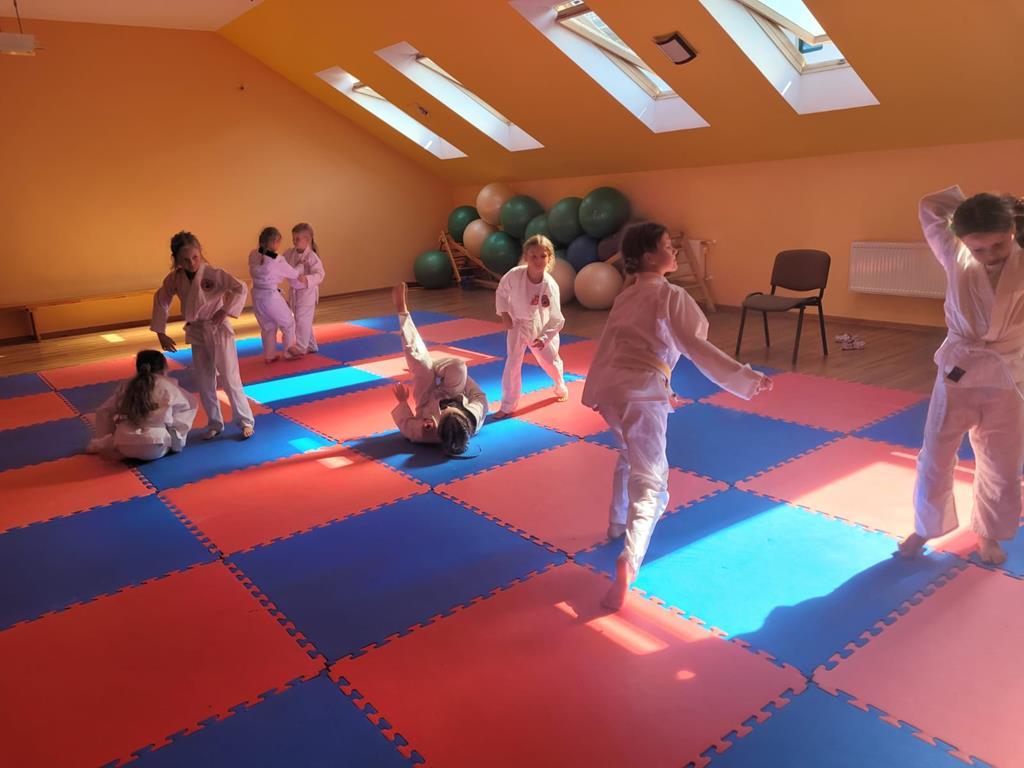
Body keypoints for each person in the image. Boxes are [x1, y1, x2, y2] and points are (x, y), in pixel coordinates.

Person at [583, 222, 772, 610]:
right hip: (641, 393)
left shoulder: (626, 296)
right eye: (668, 246)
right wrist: (746, 378)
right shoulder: (671, 295)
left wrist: (594, 392)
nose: (675, 251)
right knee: (652, 482)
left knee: (628, 455)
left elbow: (610, 347)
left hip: (612, 391)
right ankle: (630, 559)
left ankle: (617, 524)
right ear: (649, 256)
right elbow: (695, 347)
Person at [900, 187, 1024, 566]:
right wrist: (976, 210)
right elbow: (930, 204)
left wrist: (1004, 211)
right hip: (958, 372)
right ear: (963, 240)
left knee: (1002, 463)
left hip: (1009, 374)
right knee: (936, 455)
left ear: (1013, 230)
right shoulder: (954, 253)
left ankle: (989, 533)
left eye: (998, 244)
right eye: (978, 248)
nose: (989, 255)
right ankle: (927, 526)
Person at [152, 230, 255, 439]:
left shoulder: (214, 274)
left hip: (218, 330)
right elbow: (161, 300)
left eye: (195, 257)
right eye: (185, 260)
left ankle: (245, 421)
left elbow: (241, 288)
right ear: (176, 260)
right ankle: (215, 422)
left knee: (229, 377)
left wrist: (225, 310)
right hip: (197, 331)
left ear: (200, 252)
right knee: (204, 380)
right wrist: (160, 332)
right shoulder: (175, 279)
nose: (191, 263)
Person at [390, 282, 487, 456]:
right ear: (464, 416)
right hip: (452, 391)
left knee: (420, 364)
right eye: (452, 410)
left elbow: (407, 427)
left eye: (443, 414)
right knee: (458, 366)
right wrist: (464, 377)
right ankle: (431, 366)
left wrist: (402, 401)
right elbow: (480, 397)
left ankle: (402, 312)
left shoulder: (427, 433)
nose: (445, 408)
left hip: (426, 397)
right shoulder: (474, 419)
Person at [493, 234, 569, 419]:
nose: (538, 260)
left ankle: (560, 385)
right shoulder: (514, 275)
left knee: (548, 360)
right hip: (516, 323)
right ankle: (508, 405)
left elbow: (557, 318)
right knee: (512, 363)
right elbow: (501, 292)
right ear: (526, 257)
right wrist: (504, 314)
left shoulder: (550, 285)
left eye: (543, 256)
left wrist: (544, 337)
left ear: (549, 258)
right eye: (533, 256)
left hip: (539, 325)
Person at [87, 350, 197, 460]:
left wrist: (107, 435)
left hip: (124, 446)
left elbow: (103, 411)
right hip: (156, 447)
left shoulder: (127, 385)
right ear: (164, 369)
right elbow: (190, 405)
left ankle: (106, 442)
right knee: (181, 413)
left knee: (122, 430)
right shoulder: (168, 386)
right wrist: (177, 438)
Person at [249, 226, 304, 362]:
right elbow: (294, 274)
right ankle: (289, 352)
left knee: (268, 327)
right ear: (274, 242)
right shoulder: (277, 259)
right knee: (288, 323)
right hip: (270, 296)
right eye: (279, 242)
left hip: (256, 295)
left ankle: (270, 355)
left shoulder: (253, 254)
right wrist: (301, 265)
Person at [284, 222, 325, 354]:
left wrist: (307, 279)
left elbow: (320, 274)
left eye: (297, 239)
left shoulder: (311, 256)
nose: (294, 241)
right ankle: (311, 345)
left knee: (302, 321)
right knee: (302, 320)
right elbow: (278, 260)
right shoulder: (290, 253)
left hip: (307, 294)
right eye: (293, 238)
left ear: (307, 240)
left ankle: (301, 348)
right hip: (295, 294)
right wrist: (265, 252)